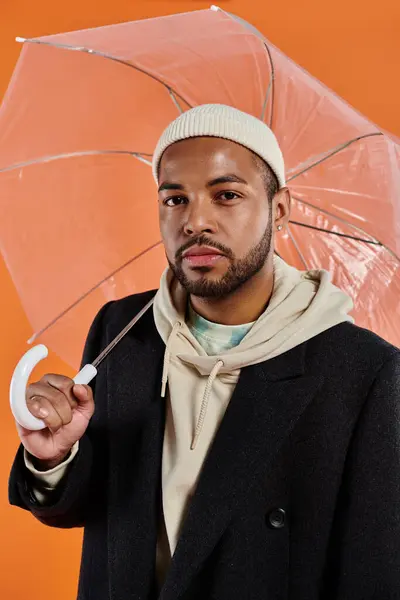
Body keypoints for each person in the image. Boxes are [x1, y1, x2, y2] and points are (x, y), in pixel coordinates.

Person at [9, 104, 400, 600]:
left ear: (279, 209)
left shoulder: (361, 370)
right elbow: (91, 514)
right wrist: (55, 456)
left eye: (227, 195)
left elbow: (373, 571)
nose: (195, 221)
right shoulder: (122, 332)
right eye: (175, 199)